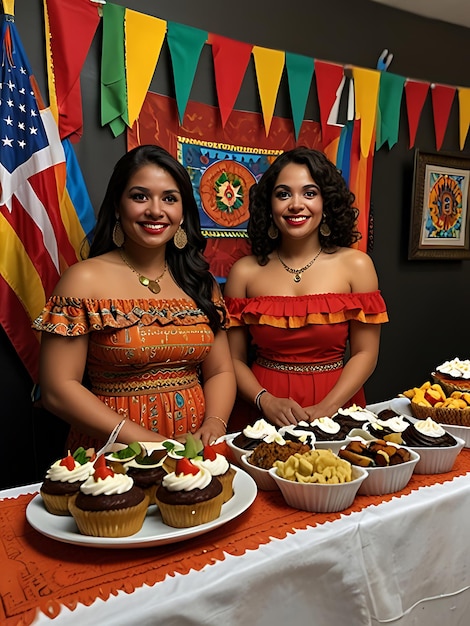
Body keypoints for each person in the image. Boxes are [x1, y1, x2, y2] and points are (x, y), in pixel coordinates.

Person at [33, 145, 236, 449]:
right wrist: (153, 444)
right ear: (117, 206)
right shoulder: (83, 280)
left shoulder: (200, 283)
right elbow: (58, 389)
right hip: (113, 452)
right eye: (140, 196)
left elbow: (221, 370)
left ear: (182, 213)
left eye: (169, 198)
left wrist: (214, 424)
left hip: (196, 451)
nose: (155, 210)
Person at [223, 147, 388, 430]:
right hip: (261, 410)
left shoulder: (357, 266)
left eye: (309, 193)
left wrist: (328, 407)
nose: (296, 204)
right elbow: (232, 359)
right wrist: (265, 401)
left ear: (326, 202)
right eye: (283, 194)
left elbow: (365, 353)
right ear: (269, 205)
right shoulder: (244, 273)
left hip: (337, 404)